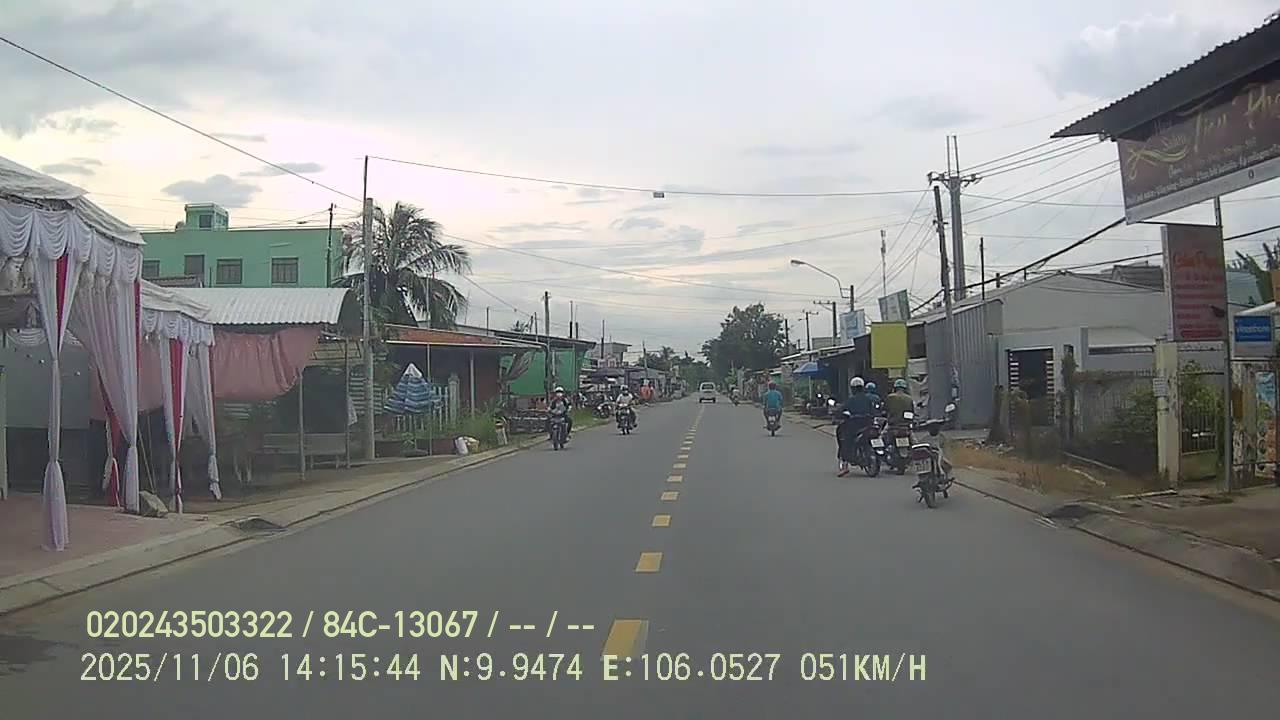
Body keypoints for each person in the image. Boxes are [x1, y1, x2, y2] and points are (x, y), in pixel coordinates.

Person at [837, 376, 875, 476]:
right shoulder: (868, 399)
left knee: (845, 440)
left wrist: (838, 413)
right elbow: (874, 411)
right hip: (868, 424)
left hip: (854, 426)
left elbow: (842, 410)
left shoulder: (851, 400)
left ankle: (845, 465)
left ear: (853, 388)